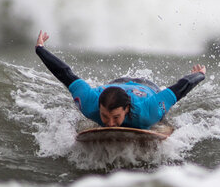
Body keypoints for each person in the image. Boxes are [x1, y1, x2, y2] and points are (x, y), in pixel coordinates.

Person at [34, 30, 206, 129]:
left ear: (126, 109)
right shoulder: (89, 103)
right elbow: (64, 73)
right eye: (104, 116)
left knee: (163, 117)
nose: (109, 124)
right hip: (115, 84)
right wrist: (40, 49)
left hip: (146, 87)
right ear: (99, 108)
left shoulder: (148, 111)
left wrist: (199, 75)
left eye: (116, 117)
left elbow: (181, 87)